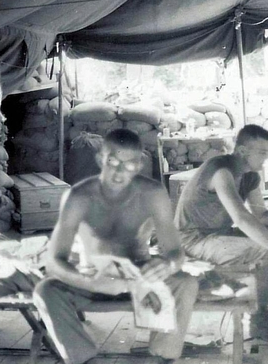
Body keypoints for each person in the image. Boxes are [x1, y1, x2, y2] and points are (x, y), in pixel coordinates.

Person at [33, 129, 198, 364]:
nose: (120, 172)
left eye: (129, 164)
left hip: (140, 278)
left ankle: (161, 358)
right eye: (113, 161)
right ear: (101, 159)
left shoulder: (153, 193)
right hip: (92, 277)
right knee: (46, 290)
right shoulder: (78, 196)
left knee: (186, 283)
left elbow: (175, 253)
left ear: (140, 164)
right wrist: (90, 281)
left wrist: (168, 264)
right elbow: (53, 261)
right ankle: (84, 359)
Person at [175, 124, 268, 343]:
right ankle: (260, 322)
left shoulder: (250, 176)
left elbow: (261, 215)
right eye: (261, 153)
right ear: (241, 151)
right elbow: (241, 217)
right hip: (193, 240)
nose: (266, 158)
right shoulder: (220, 170)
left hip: (218, 235)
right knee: (265, 250)